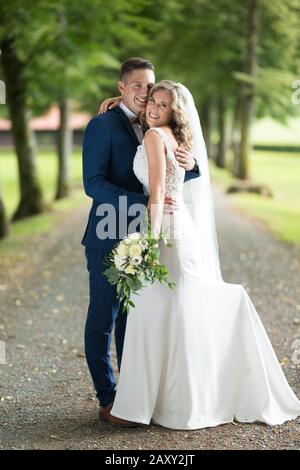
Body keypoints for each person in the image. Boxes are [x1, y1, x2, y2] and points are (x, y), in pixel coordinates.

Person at [107, 80, 300, 430]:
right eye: (152, 101)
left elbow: (158, 192)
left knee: (156, 312)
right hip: (182, 227)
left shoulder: (153, 137)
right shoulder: (176, 138)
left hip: (164, 230)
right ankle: (182, 399)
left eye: (163, 105)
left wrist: (148, 242)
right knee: (178, 307)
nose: (153, 108)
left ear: (173, 111)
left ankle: (145, 405)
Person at [82, 59, 200, 426]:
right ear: (121, 88)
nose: (144, 93)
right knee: (104, 317)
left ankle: (134, 397)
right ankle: (108, 396)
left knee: (137, 320)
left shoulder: (157, 122)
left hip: (150, 235)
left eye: (148, 86)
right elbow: (93, 183)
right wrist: (145, 203)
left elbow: (180, 168)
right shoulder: (102, 124)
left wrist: (192, 161)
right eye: (136, 86)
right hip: (109, 232)